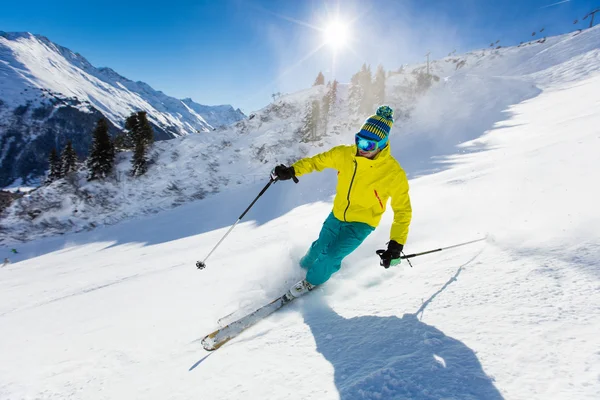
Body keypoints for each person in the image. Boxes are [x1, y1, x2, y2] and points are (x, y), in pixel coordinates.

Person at [271, 105, 412, 298]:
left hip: (362, 223)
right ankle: (300, 271)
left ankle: (311, 283)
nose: (361, 148)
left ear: (382, 145)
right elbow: (316, 161)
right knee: (316, 250)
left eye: (368, 145)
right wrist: (293, 170)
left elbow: (402, 211)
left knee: (330, 255)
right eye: (359, 141)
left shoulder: (393, 173)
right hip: (337, 216)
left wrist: (396, 244)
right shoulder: (345, 154)